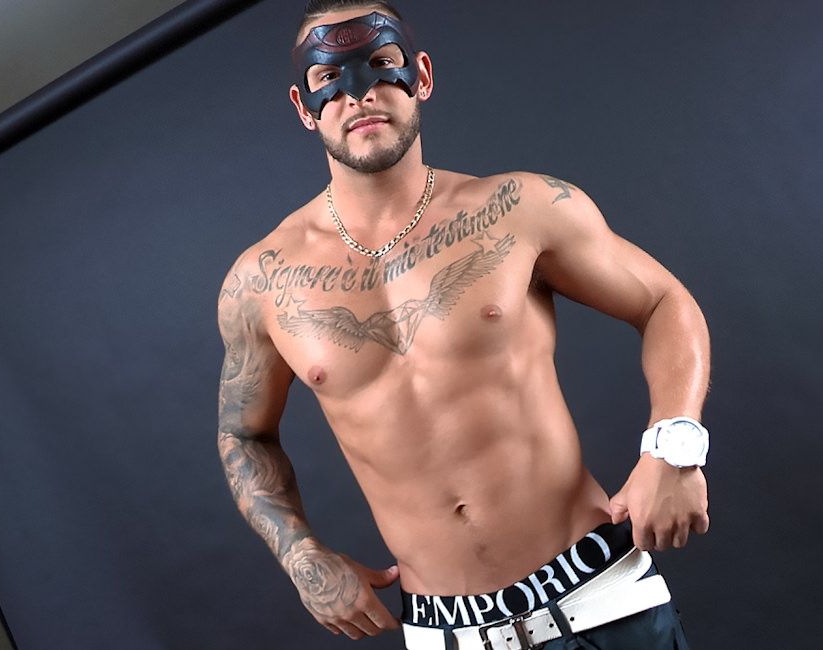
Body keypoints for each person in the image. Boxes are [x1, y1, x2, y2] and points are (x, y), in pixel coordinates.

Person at [216, 2, 711, 647]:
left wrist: (674, 447)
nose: (359, 93)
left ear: (421, 76)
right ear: (304, 108)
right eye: (328, 77)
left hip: (602, 602)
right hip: (446, 633)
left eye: (381, 64)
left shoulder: (519, 208)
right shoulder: (263, 281)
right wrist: (299, 554)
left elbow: (664, 301)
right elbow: (244, 433)